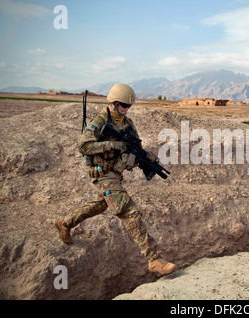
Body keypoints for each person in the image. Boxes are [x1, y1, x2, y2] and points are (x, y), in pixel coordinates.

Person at [55, 83, 177, 276]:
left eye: (128, 106)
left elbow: (134, 146)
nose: (126, 110)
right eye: (123, 106)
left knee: (100, 205)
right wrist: (111, 145)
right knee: (128, 210)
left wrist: (147, 157)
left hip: (115, 174)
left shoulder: (128, 124)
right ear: (113, 103)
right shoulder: (100, 121)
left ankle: (65, 223)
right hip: (102, 174)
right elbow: (84, 146)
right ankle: (154, 259)